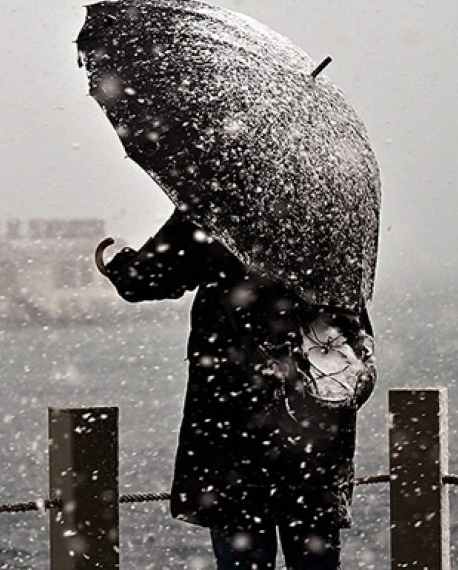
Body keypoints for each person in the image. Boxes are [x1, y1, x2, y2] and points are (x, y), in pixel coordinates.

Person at [100, 210, 376, 570]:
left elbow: (147, 279)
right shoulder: (331, 220)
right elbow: (355, 346)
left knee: (242, 542)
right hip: (316, 430)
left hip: (234, 424)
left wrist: (119, 264)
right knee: (313, 544)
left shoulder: (221, 207)